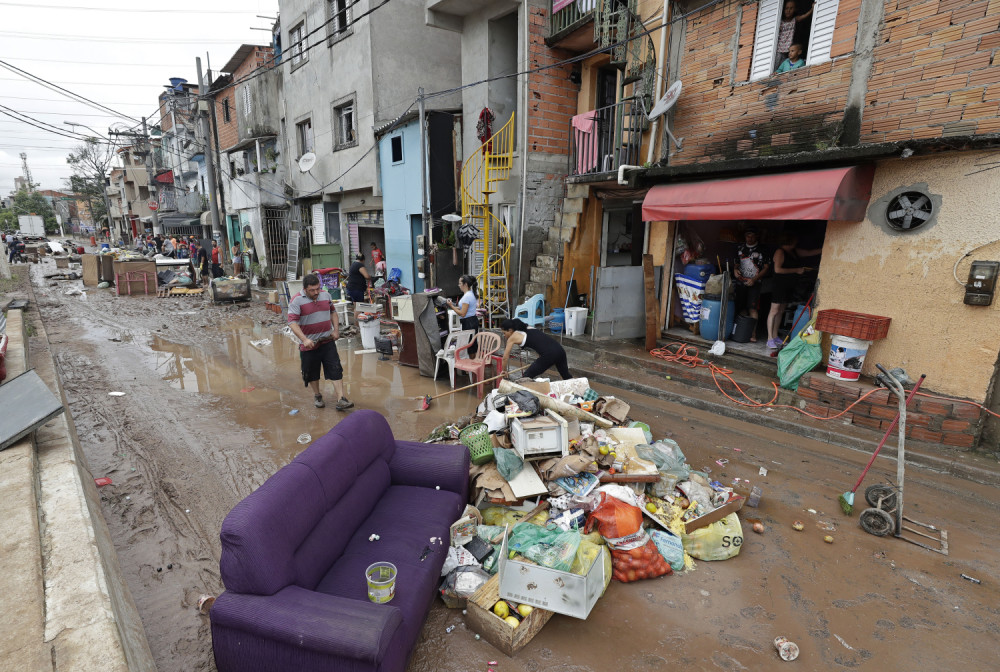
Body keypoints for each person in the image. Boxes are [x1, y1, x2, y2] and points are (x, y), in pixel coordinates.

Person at [287, 273, 353, 410]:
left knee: (335, 368)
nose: (316, 292)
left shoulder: (325, 295)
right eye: (312, 290)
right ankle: (317, 395)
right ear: (305, 289)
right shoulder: (296, 300)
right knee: (311, 372)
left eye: (318, 288)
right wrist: (304, 339)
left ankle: (341, 399)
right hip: (309, 344)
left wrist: (336, 330)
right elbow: (292, 322)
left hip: (327, 340)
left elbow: (333, 312)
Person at [766, 235, 822, 349]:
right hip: (779, 285)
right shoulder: (780, 252)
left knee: (781, 310)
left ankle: (775, 335)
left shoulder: (793, 251)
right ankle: (769, 338)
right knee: (774, 310)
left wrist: (824, 248)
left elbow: (808, 252)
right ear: (790, 241)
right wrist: (796, 270)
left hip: (788, 285)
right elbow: (777, 269)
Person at [500, 318, 573, 381]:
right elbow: (539, 342)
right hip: (560, 350)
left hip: (549, 354)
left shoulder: (513, 337)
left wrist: (504, 370)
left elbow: (505, 358)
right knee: (567, 377)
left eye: (504, 333)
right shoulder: (528, 328)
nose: (504, 335)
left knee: (526, 376)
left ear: (510, 330)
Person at [733, 226, 770, 342]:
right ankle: (740, 331)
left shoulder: (762, 249)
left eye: (752, 236)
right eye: (748, 235)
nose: (750, 238)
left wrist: (754, 279)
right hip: (740, 283)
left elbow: (766, 268)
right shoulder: (740, 248)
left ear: (757, 236)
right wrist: (735, 270)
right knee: (740, 308)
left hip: (755, 283)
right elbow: (736, 264)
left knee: (753, 309)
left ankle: (753, 334)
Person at [776, 1, 813, 68]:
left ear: (795, 9)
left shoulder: (794, 20)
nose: (788, 10)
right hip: (779, 48)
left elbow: (803, 16)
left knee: (786, 65)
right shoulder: (779, 21)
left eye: (791, 8)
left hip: (788, 48)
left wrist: (812, 9)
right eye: (787, 8)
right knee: (776, 65)